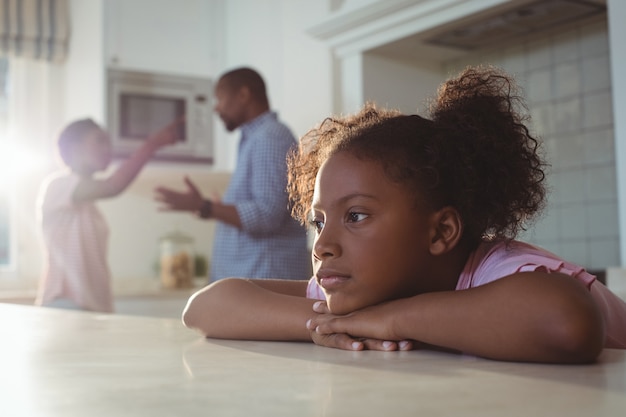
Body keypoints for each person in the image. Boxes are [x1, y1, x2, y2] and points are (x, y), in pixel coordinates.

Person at [180, 65, 626, 364]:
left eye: (355, 216)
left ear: (441, 231)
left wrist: (389, 319)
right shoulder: (366, 288)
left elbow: (567, 322)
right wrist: (322, 325)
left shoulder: (502, 272)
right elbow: (206, 307)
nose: (322, 245)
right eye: (319, 221)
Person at [154, 67, 310, 282]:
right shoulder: (255, 138)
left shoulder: (269, 137)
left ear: (243, 95)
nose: (216, 108)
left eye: (219, 98)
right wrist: (216, 207)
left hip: (264, 281)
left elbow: (267, 215)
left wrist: (205, 206)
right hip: (254, 282)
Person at [35, 117, 181, 312]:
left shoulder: (90, 208)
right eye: (99, 140)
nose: (108, 148)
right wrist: (151, 145)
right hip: (64, 302)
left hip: (91, 308)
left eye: (108, 142)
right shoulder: (58, 186)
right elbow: (112, 186)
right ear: (74, 147)